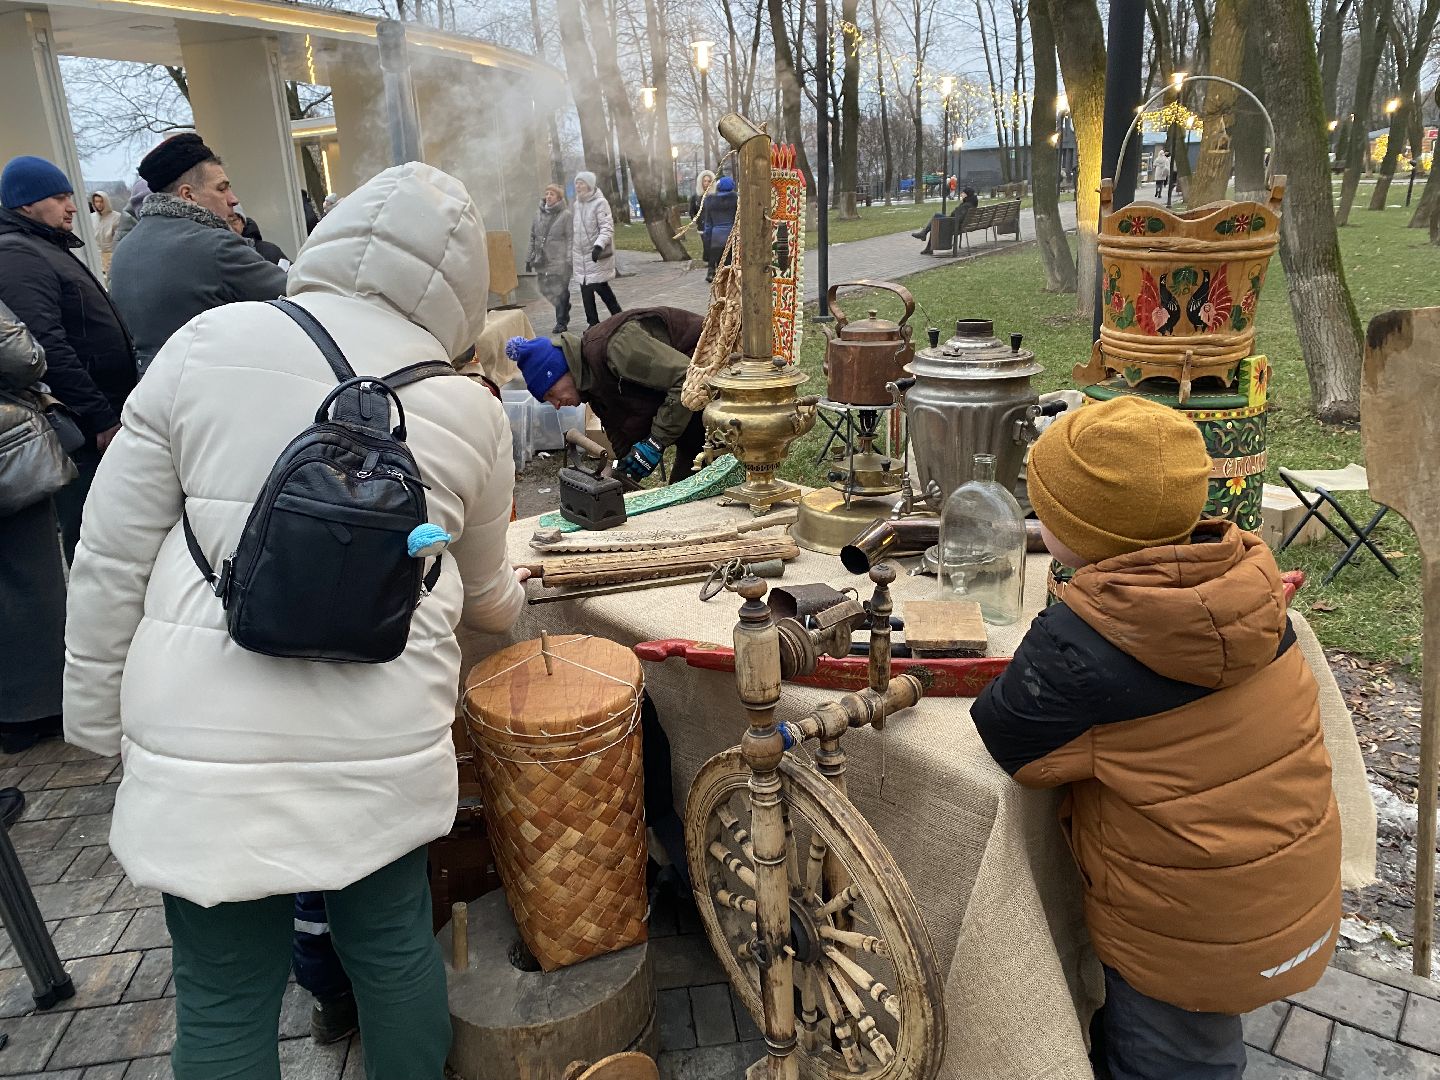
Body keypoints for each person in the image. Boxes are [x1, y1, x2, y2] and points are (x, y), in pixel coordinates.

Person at [63, 162, 524, 1079]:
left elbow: (109, 556)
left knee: (226, 993)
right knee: (394, 951)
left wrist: (92, 718)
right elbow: (484, 599)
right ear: (462, 288)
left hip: (204, 745)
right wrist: (519, 620)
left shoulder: (206, 343)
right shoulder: (469, 408)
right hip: (381, 741)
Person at [971, 396, 1341, 1080]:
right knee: (1196, 1038)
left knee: (1169, 1059)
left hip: (1181, 932)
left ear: (1077, 531)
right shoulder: (1248, 576)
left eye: (1046, 509)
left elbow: (1007, 739)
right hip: (1270, 897)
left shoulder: (1084, 642)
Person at [0, 156, 137, 566]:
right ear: (26, 204)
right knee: (91, 535)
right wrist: (99, 417)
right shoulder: (18, 255)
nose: (72, 206)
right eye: (60, 197)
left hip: (98, 416)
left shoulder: (42, 247)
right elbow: (48, 349)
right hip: (82, 429)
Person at [109, 132, 287, 375]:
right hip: (216, 388)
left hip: (151, 394)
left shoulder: (124, 251)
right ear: (187, 195)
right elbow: (296, 293)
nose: (233, 199)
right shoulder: (215, 246)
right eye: (222, 189)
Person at [506, 305, 705, 484]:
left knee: (692, 498)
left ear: (561, 370)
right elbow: (622, 434)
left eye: (550, 394)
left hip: (717, 381)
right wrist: (619, 474)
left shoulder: (616, 348)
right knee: (682, 494)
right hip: (691, 411)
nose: (556, 405)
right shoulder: (591, 387)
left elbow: (687, 379)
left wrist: (655, 442)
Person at [0, 301, 71, 770]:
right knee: (32, 574)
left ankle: (14, 714)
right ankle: (42, 706)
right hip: (8, 459)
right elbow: (21, 356)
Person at [570, 171, 621, 327]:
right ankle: (593, 324)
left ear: (589, 185)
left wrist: (598, 245)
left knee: (601, 288)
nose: (578, 186)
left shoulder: (600, 203)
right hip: (580, 257)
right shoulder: (576, 204)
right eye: (577, 183)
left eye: (582, 183)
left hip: (595, 255)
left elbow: (607, 227)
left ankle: (620, 318)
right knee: (586, 292)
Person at [527, 183, 573, 333]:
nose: (548, 196)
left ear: (558, 198)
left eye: (551, 194)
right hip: (542, 260)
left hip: (560, 260)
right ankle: (564, 306)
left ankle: (561, 322)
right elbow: (533, 237)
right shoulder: (538, 214)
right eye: (547, 193)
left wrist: (569, 259)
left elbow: (571, 238)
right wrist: (529, 258)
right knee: (544, 289)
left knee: (559, 290)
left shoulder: (566, 215)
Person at [911, 186, 979, 251]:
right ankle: (926, 240)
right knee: (935, 224)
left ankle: (924, 234)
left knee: (937, 216)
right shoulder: (971, 204)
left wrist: (951, 217)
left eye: (963, 193)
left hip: (954, 225)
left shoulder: (966, 206)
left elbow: (958, 219)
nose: (961, 194)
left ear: (967, 194)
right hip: (958, 224)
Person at [700, 175, 736, 283]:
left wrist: (707, 237)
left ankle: (712, 273)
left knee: (716, 257)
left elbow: (708, 223)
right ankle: (728, 278)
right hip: (731, 233)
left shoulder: (710, 200)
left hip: (716, 235)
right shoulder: (736, 199)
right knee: (729, 259)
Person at [89, 191, 123, 273]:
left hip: (112, 256)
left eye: (101, 201)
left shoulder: (116, 217)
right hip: (96, 257)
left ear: (106, 202)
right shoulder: (91, 217)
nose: (99, 204)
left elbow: (119, 238)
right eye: (96, 201)